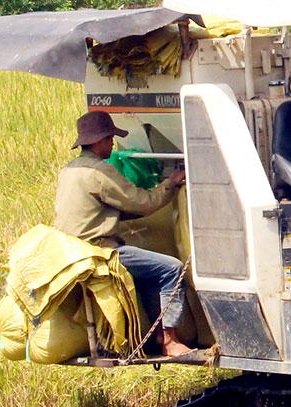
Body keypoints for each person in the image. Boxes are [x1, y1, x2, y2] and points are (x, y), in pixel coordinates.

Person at [53, 111, 200, 360]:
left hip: (73, 253)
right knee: (171, 268)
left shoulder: (70, 170)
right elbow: (141, 202)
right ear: (99, 141)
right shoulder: (99, 172)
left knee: (147, 272)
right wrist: (171, 184)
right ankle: (170, 341)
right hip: (100, 252)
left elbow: (106, 210)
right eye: (110, 139)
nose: (112, 144)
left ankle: (154, 335)